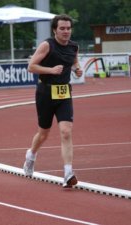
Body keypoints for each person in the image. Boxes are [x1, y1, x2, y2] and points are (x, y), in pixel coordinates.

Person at [23, 14, 83, 188]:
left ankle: (68, 173)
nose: (66, 31)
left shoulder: (74, 47)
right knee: (44, 133)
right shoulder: (47, 45)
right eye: (62, 28)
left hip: (64, 93)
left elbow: (74, 62)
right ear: (55, 30)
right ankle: (31, 156)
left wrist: (77, 70)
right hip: (45, 93)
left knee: (66, 131)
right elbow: (31, 66)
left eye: (68, 28)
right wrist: (51, 70)